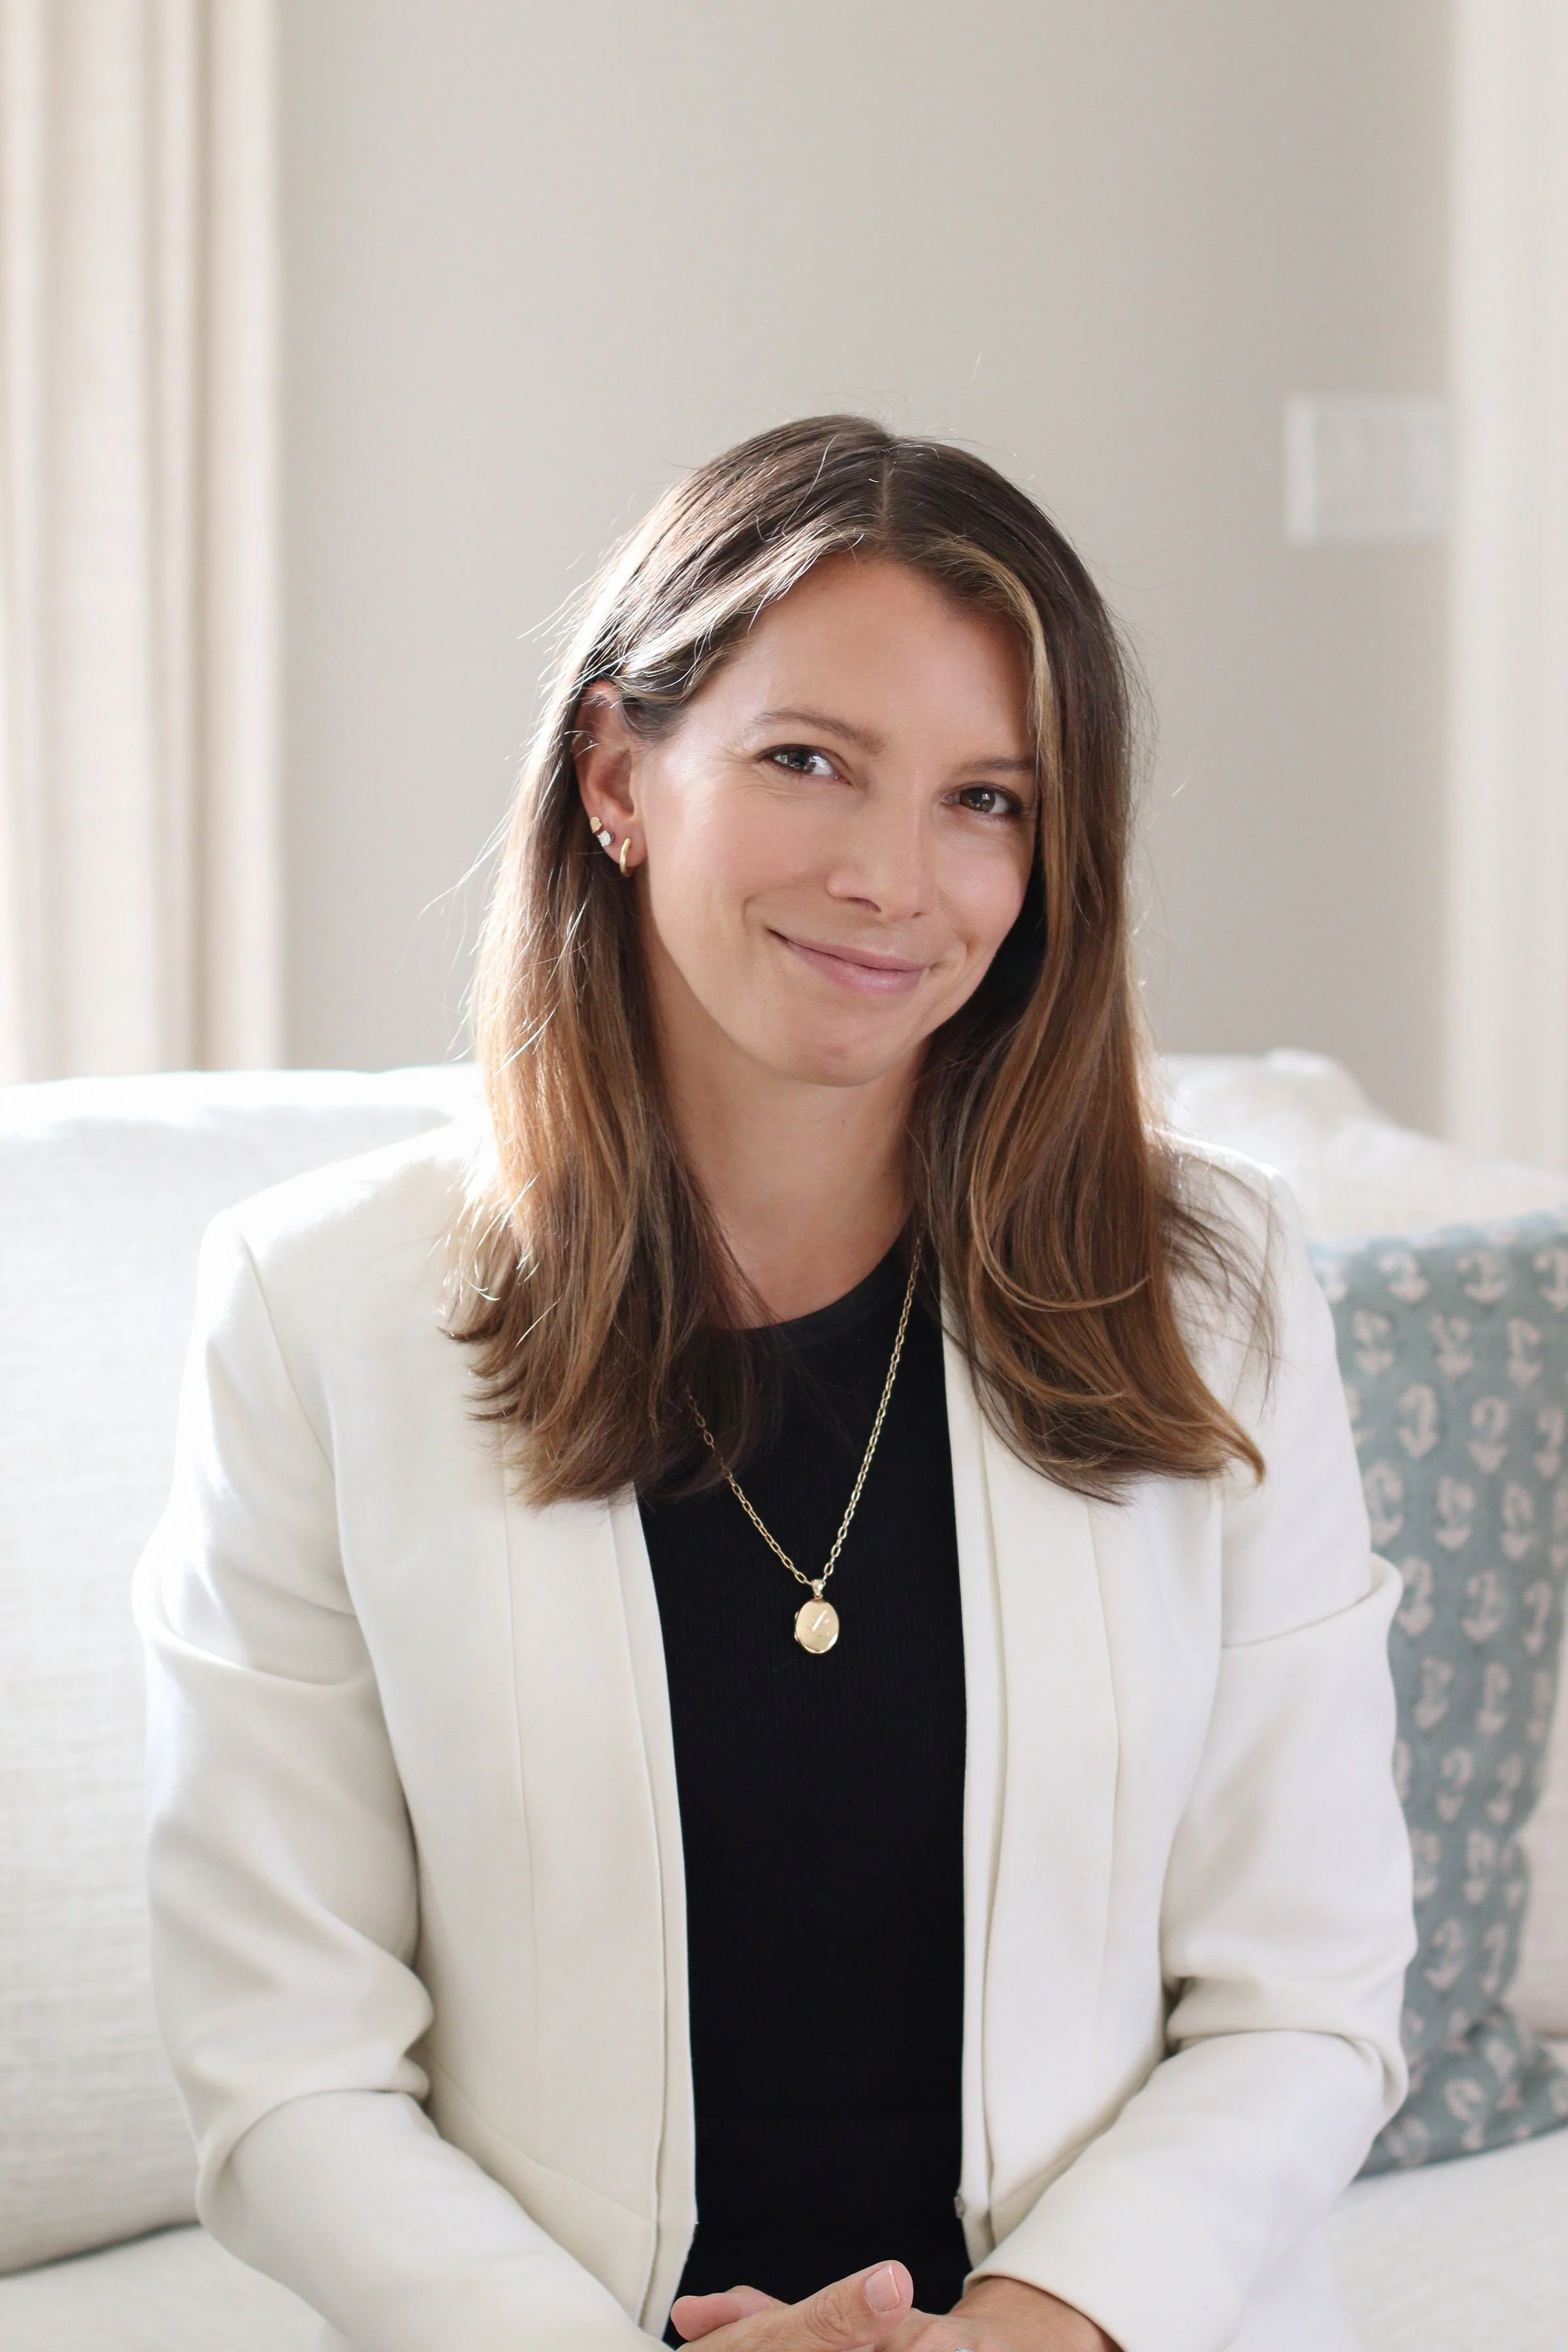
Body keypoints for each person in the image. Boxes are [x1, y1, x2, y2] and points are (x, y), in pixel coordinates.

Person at [137, 416, 1415, 2352]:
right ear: (617, 776)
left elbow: (1306, 1996)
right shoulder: (319, 1311)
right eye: (811, 762)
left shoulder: (1213, 1292)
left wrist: (1032, 2327)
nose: (897, 879)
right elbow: (284, 2057)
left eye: (990, 799)